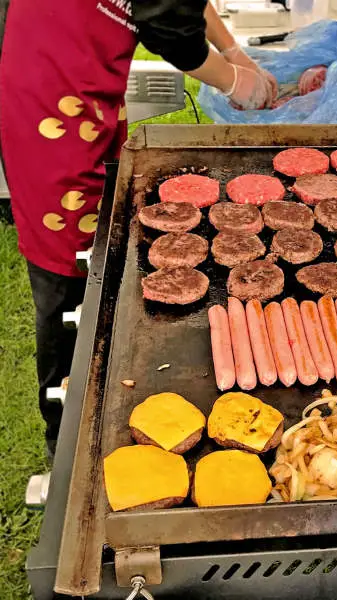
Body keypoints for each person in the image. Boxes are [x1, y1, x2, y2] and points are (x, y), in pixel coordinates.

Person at [0, 0, 276, 458]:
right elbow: (167, 21)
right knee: (68, 266)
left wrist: (233, 51)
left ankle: (111, 387)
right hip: (51, 95)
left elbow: (175, 0)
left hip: (90, 85)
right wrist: (233, 80)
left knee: (111, 229)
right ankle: (66, 442)